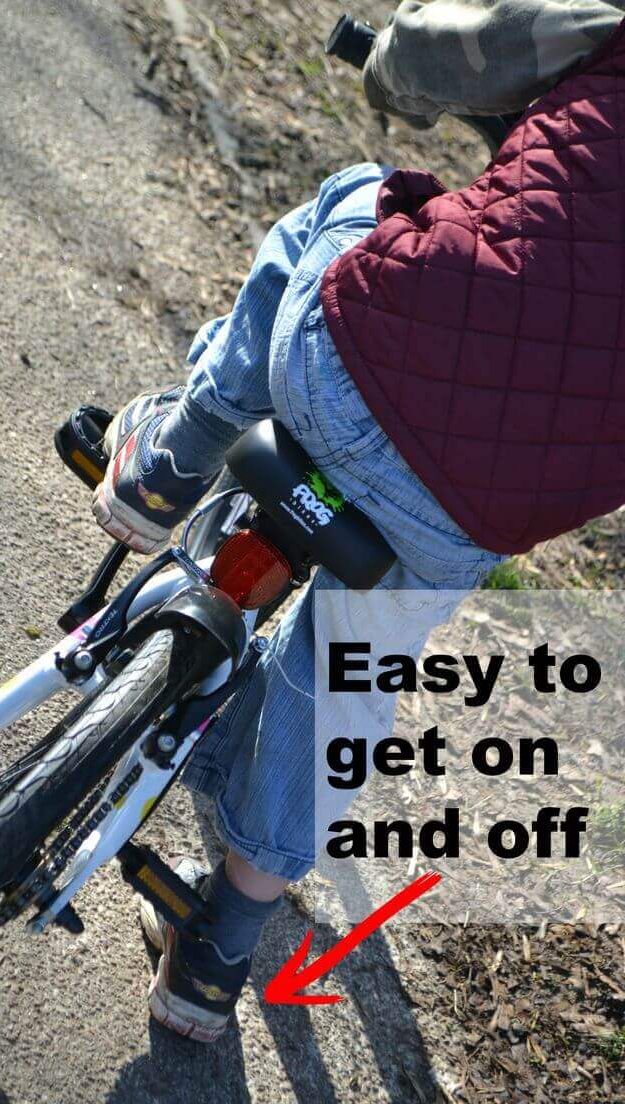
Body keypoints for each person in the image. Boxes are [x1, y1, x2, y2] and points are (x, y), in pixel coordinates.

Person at [92, 1, 625, 1042]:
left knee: (349, 197)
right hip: (479, 507)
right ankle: (219, 955)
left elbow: (456, 45)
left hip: (355, 362)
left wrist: (388, 66)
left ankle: (170, 462)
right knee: (350, 662)